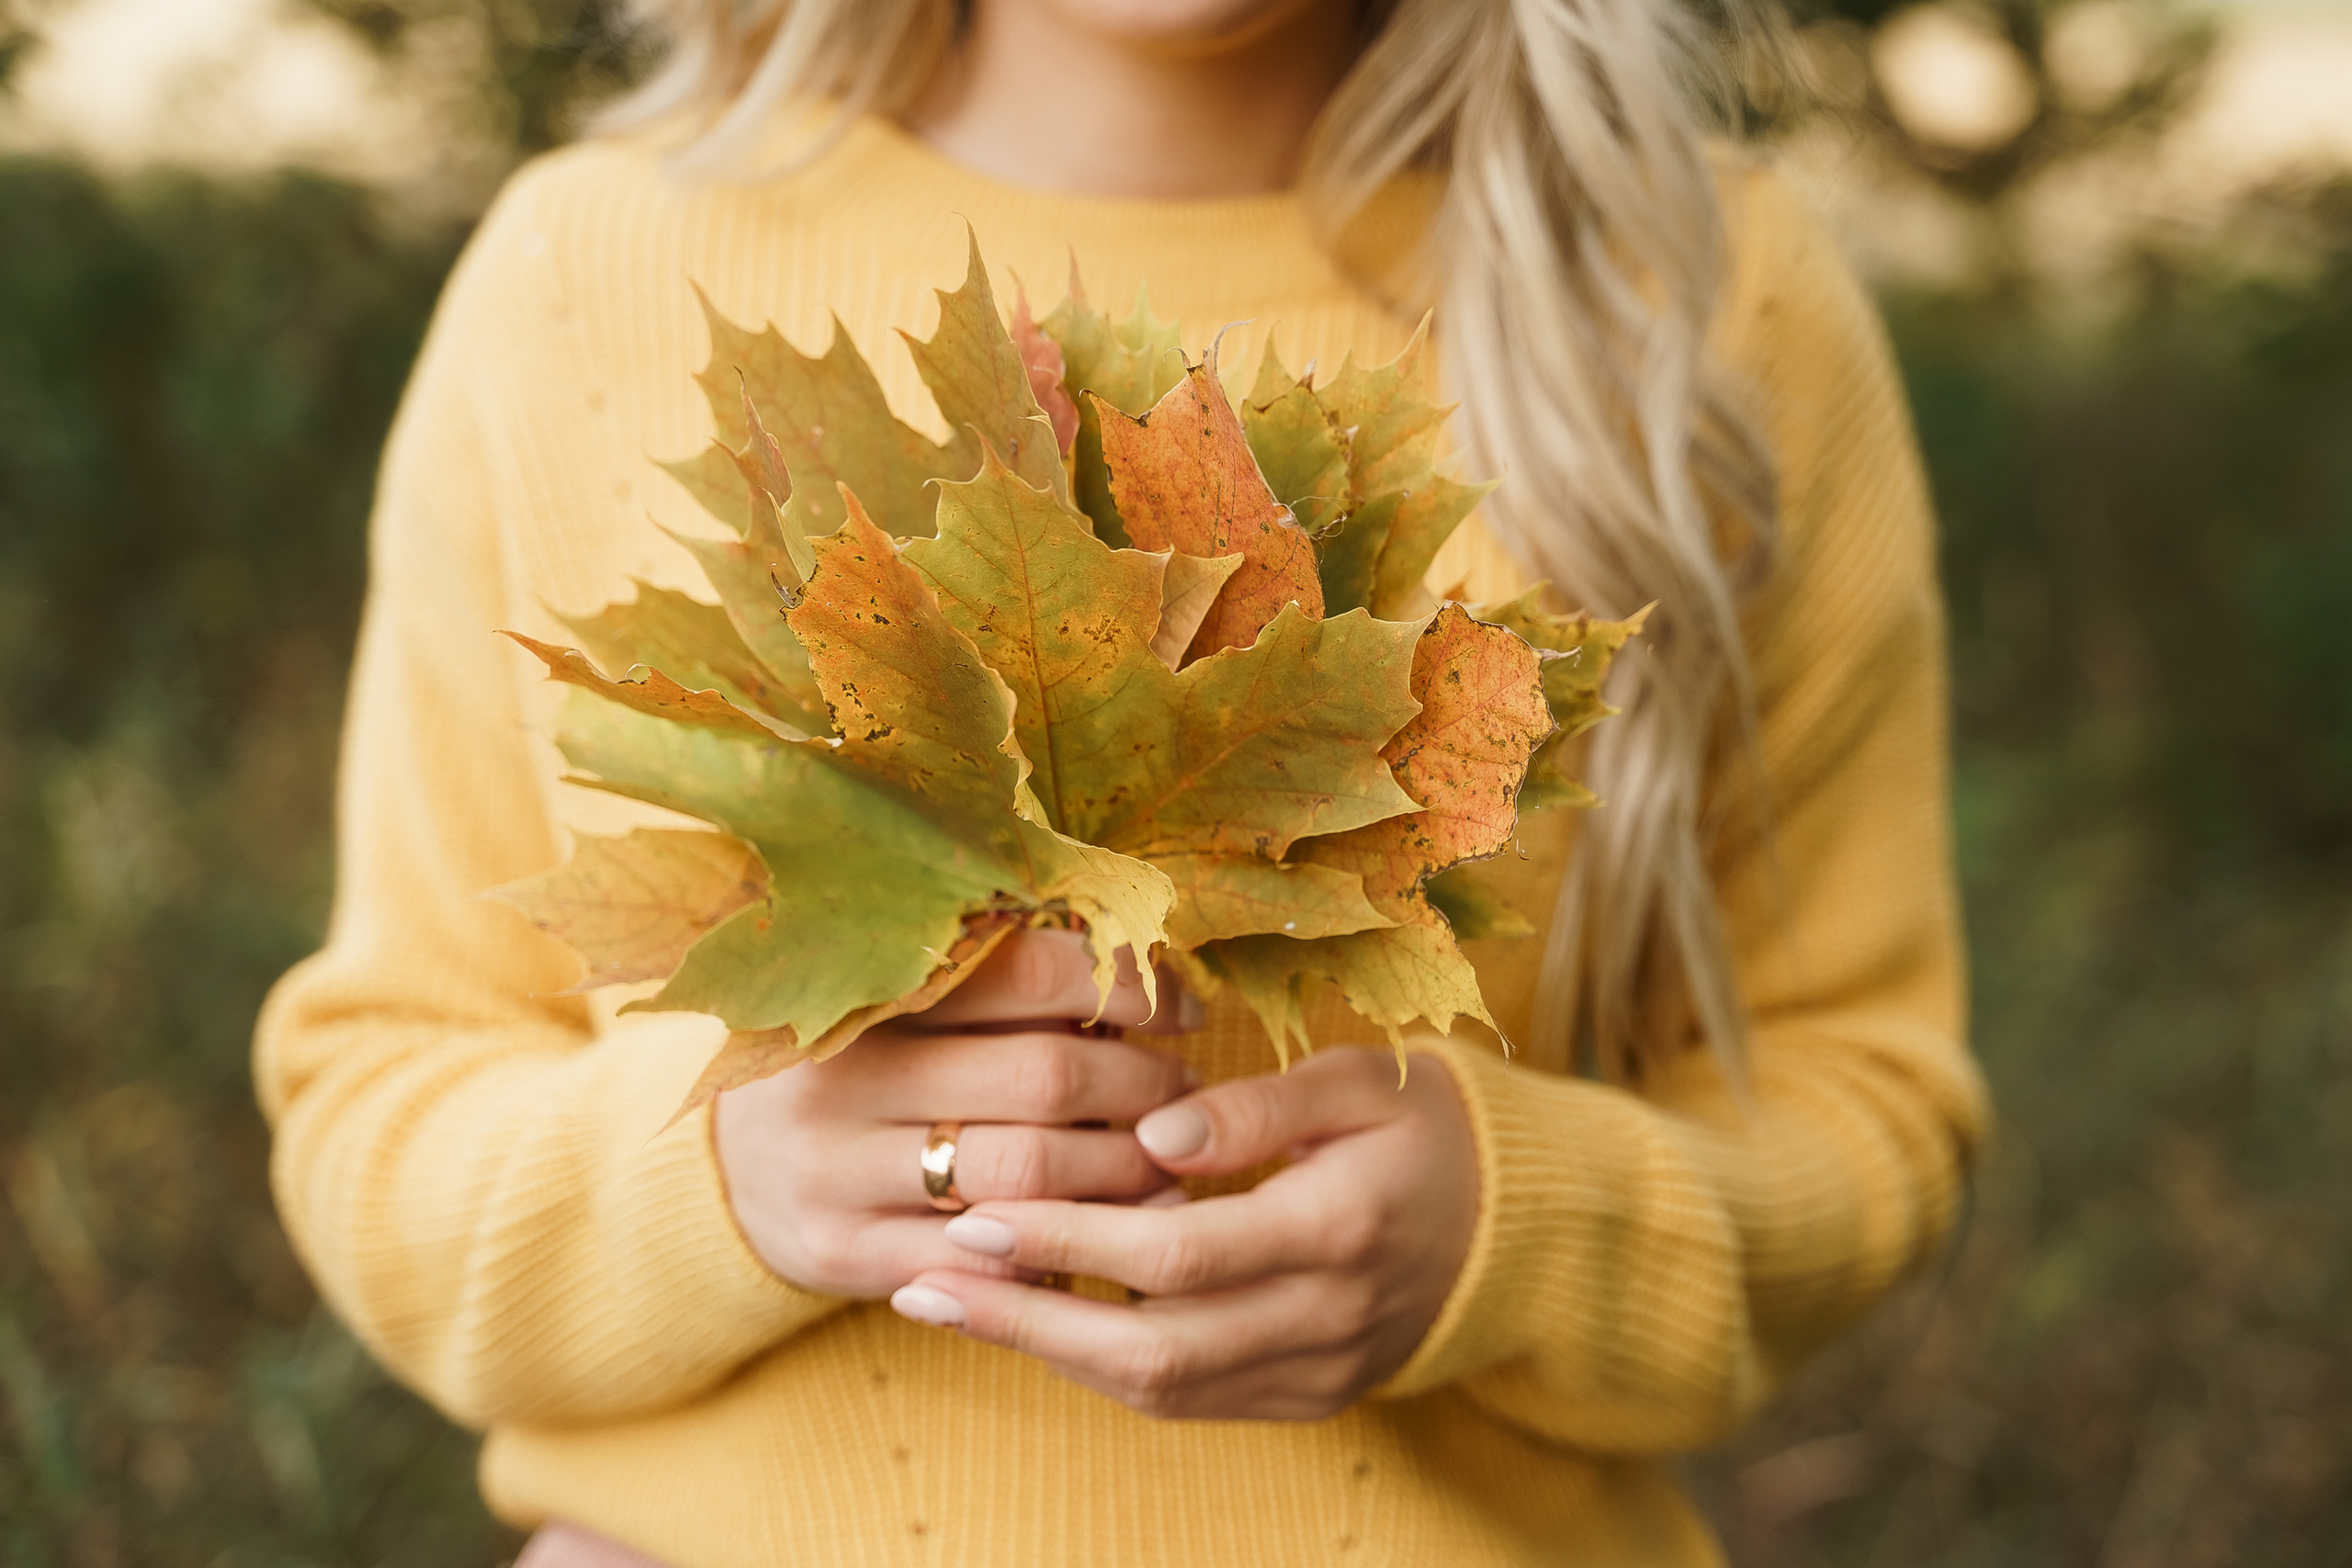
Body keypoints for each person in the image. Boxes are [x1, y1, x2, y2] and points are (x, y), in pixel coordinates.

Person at [254, 0, 1988, 1562]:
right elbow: (381, 1108)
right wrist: (718, 1181)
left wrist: (1510, 1223)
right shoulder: (584, 276)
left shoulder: (1701, 301)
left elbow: (1868, 1112)